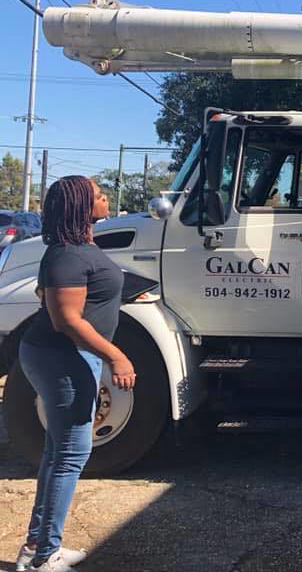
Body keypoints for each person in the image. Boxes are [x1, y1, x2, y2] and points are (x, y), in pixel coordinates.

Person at [14, 177, 135, 572]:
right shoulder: (67, 253)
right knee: (69, 456)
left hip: (71, 357)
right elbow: (66, 319)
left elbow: (91, 290)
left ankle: (39, 545)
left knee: (58, 453)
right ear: (80, 206)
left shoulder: (80, 247)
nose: (105, 198)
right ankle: (43, 556)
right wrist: (117, 356)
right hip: (61, 358)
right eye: (98, 194)